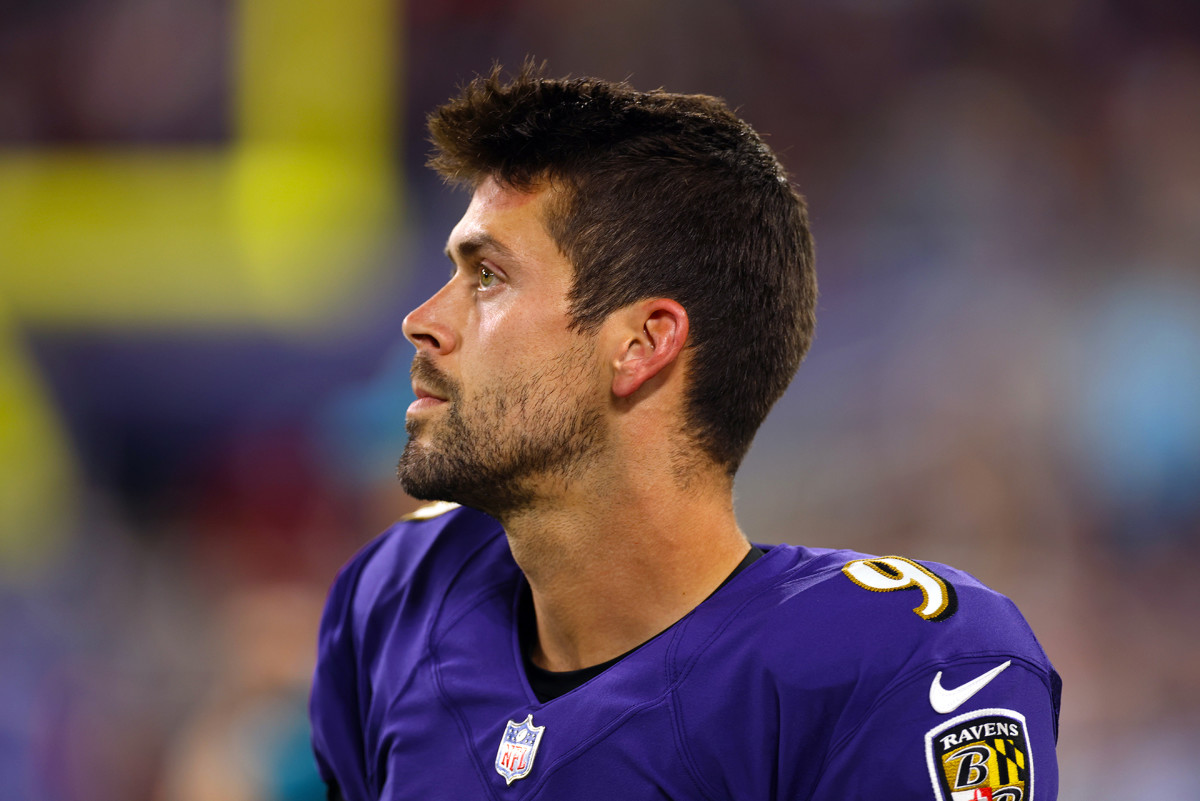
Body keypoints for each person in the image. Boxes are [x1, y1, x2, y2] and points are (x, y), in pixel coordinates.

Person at [309, 65, 1061, 800]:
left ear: (642, 343)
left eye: (488, 276)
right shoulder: (401, 595)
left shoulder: (898, 661)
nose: (423, 321)